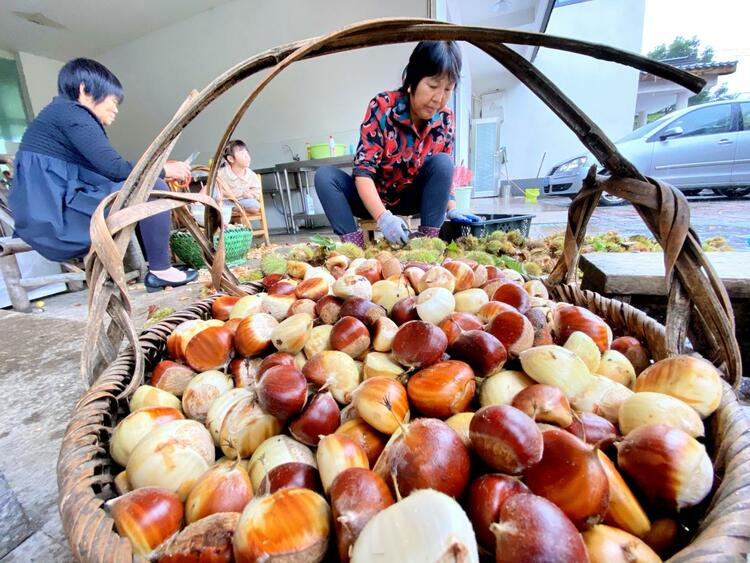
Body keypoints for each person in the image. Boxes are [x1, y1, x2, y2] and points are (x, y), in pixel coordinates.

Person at [8, 58, 197, 291]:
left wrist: (157, 167)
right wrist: (164, 169)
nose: (116, 109)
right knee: (153, 187)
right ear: (85, 89)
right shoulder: (72, 113)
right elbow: (115, 169)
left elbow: (111, 173)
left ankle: (155, 266)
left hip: (53, 210)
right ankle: (161, 270)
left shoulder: (60, 114)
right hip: (55, 217)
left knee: (145, 185)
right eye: (113, 101)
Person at [315, 41, 480, 249]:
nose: (439, 98)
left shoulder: (446, 119)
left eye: (448, 89)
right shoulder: (383, 107)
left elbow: (443, 172)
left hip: (411, 197)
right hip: (372, 198)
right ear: (412, 79)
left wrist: (453, 208)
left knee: (444, 162)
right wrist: (383, 218)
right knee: (325, 177)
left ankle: (427, 247)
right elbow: (363, 172)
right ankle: (354, 250)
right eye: (432, 86)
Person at [217, 140, 262, 213]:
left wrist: (250, 194)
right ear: (231, 159)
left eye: (247, 153)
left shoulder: (251, 174)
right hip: (225, 202)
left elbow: (257, 189)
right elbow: (216, 188)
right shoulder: (222, 173)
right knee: (213, 200)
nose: (247, 156)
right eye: (242, 154)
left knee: (255, 206)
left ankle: (234, 209)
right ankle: (230, 209)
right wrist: (226, 194)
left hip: (242, 202)